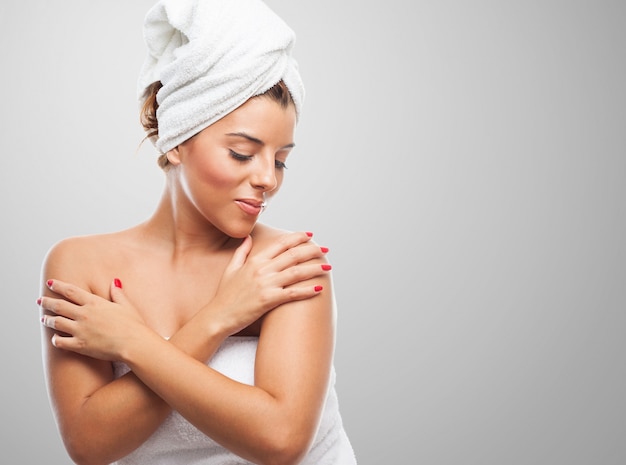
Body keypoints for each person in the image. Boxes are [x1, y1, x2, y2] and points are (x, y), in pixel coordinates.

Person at [37, 0, 357, 464]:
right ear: (178, 139)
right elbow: (90, 445)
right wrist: (219, 317)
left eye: (281, 159)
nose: (268, 178)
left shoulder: (287, 264)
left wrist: (133, 342)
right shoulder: (81, 265)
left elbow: (281, 441)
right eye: (243, 154)